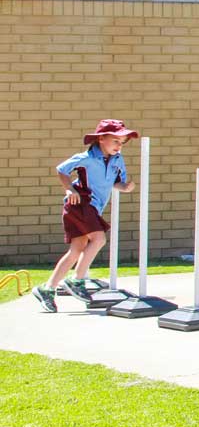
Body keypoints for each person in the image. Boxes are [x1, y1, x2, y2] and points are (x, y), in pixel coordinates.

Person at [32, 119, 138, 312]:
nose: (119, 146)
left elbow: (117, 183)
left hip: (93, 208)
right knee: (99, 239)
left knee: (76, 249)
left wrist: (126, 187)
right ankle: (77, 280)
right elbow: (61, 170)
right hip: (80, 203)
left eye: (122, 143)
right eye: (115, 141)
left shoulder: (118, 160)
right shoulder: (86, 158)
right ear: (101, 139)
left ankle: (47, 289)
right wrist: (70, 190)